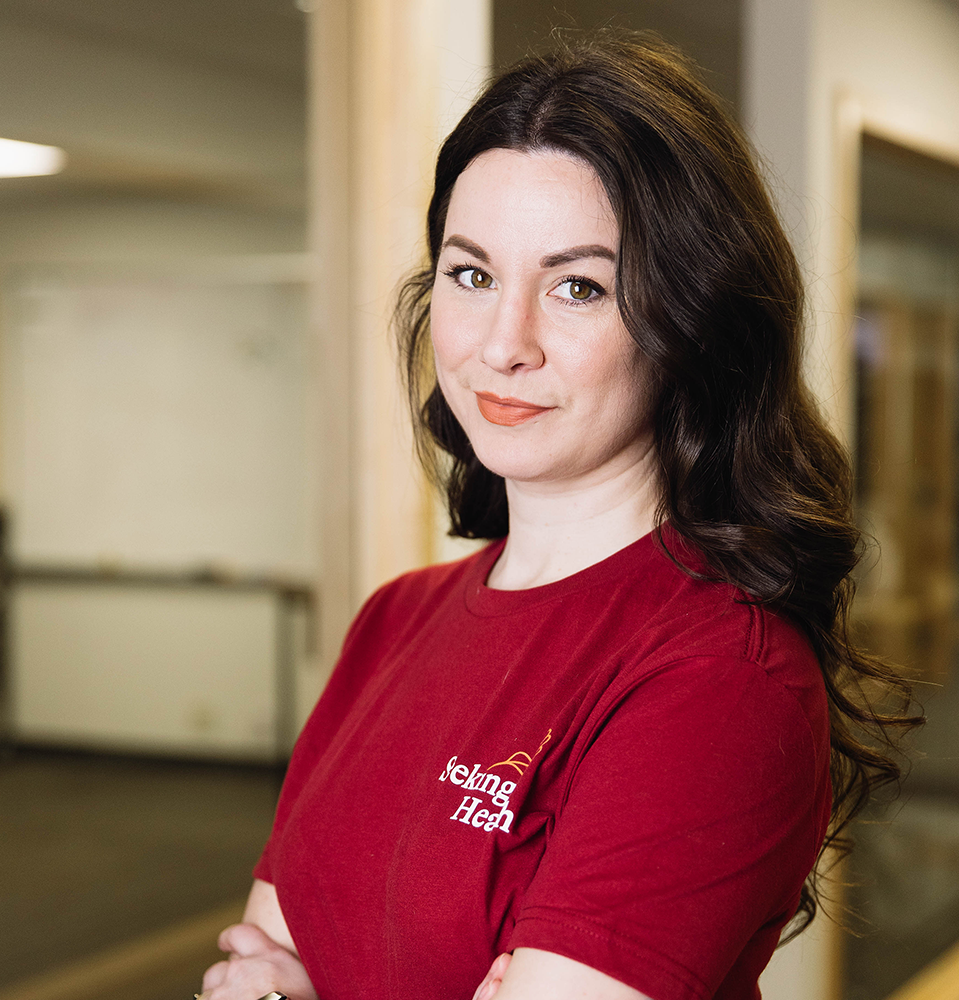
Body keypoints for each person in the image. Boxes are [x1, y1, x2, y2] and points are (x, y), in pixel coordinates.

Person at [198, 32, 919, 1000]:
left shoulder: (716, 675)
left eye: (578, 286)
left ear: (689, 321)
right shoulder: (394, 619)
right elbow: (255, 959)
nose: (504, 343)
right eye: (472, 274)